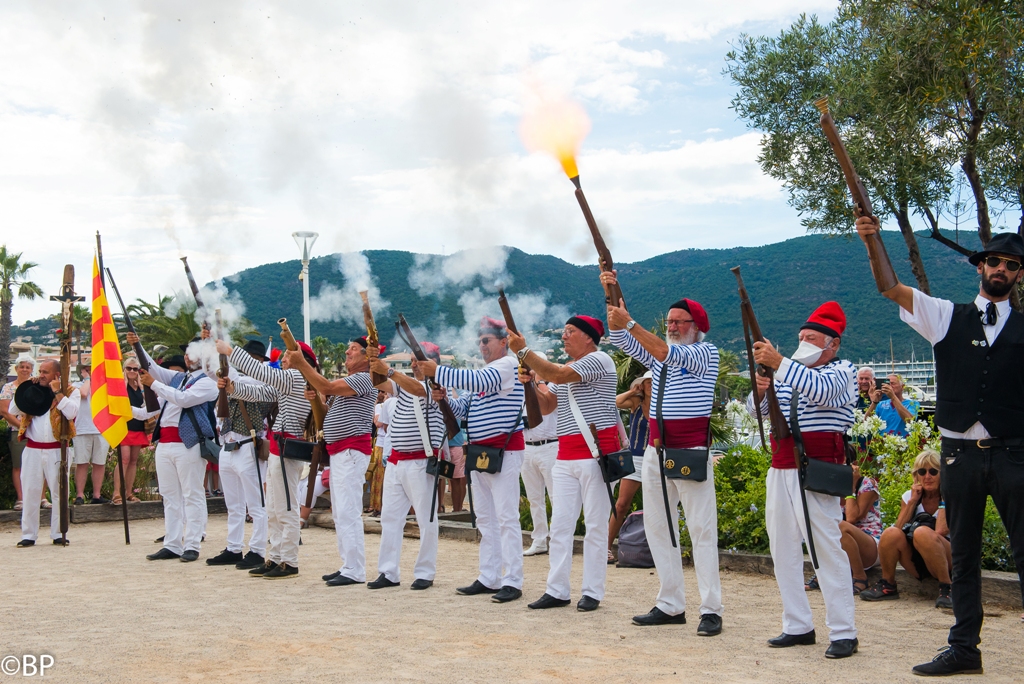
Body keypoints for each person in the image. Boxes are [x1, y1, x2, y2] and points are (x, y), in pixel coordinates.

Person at [856, 217, 1024, 676]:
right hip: (959, 455)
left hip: (1013, 454)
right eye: (995, 261)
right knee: (964, 554)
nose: (1002, 270)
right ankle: (964, 648)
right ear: (980, 267)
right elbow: (890, 287)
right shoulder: (946, 315)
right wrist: (872, 240)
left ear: (1019, 274)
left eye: (1012, 265)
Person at [605, 277, 724, 636]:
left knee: (701, 529)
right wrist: (613, 297)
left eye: (678, 322)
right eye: (669, 322)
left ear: (695, 327)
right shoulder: (662, 355)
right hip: (656, 450)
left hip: (689, 448)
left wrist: (628, 322)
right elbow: (623, 339)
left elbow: (658, 349)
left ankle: (711, 608)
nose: (671, 327)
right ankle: (670, 603)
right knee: (660, 527)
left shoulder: (705, 352)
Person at [747, 301, 859, 659]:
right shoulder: (790, 372)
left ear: (833, 344)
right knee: (782, 549)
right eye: (802, 336)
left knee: (825, 547)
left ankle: (843, 631)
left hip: (818, 467)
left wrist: (780, 364)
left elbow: (822, 392)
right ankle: (797, 624)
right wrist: (762, 385)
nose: (804, 341)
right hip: (782, 465)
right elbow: (755, 411)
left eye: (812, 337)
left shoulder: (842, 371)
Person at [509, 314, 617, 613]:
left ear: (588, 337)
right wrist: (530, 384)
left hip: (597, 453)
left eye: (570, 332)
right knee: (560, 526)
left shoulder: (599, 361)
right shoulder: (568, 369)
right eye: (565, 332)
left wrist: (523, 353)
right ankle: (556, 589)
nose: (564, 337)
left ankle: (592, 591)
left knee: (595, 527)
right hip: (566, 453)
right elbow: (545, 407)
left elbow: (556, 376)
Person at [419, 318, 526, 604]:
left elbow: (479, 381)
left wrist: (438, 370)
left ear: (503, 342)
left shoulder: (507, 366)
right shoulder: (482, 374)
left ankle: (512, 579)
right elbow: (461, 408)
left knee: (505, 517)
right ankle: (489, 576)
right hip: (478, 451)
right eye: (480, 341)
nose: (482, 346)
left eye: (486, 340)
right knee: (486, 518)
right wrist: (440, 397)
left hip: (503, 449)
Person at [284, 336, 385, 587]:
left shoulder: (364, 378)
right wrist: (315, 400)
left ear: (365, 357)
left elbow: (327, 386)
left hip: (351, 450)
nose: (348, 352)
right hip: (342, 450)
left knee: (348, 510)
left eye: (353, 349)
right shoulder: (354, 380)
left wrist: (301, 364)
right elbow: (330, 410)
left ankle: (355, 568)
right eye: (348, 347)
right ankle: (349, 565)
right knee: (341, 511)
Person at [223, 337, 317, 579]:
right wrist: (234, 388)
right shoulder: (290, 380)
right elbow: (260, 392)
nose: (282, 359)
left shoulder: (297, 377)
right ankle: (275, 557)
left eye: (287, 355)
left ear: (300, 360)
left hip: (288, 448)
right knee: (275, 508)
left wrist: (231, 352)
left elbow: (262, 376)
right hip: (279, 447)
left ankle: (290, 560)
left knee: (285, 508)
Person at [129, 333, 218, 563]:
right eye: (188, 351)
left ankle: (192, 544)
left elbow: (183, 399)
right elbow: (153, 371)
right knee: (169, 496)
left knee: (192, 495)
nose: (188, 356)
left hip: (187, 443)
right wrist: (137, 344)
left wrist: (154, 384)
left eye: (193, 351)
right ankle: (172, 543)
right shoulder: (179, 379)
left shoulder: (208, 381)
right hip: (165, 443)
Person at [366, 343, 448, 590]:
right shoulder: (403, 386)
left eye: (417, 359)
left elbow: (416, 388)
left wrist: (389, 371)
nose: (413, 364)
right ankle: (388, 572)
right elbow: (378, 383)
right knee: (390, 519)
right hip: (396, 460)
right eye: (411, 359)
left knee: (426, 519)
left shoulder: (436, 387)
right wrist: (373, 361)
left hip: (421, 461)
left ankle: (425, 572)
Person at [207, 339, 277, 571]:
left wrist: (229, 371)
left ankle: (257, 550)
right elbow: (213, 372)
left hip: (248, 445)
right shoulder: (234, 378)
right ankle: (233, 547)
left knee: (256, 504)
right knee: (234, 505)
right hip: (227, 446)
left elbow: (245, 383)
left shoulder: (263, 378)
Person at [859, 450, 951, 607]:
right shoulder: (910, 496)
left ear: (943, 474)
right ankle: (888, 584)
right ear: (916, 475)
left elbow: (941, 530)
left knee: (921, 532)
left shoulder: (952, 495)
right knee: (890, 533)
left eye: (933, 472)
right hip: (919, 557)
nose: (927, 476)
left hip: (948, 558)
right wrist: (913, 502)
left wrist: (944, 497)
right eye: (922, 472)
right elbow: (898, 528)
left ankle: (948, 588)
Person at [11, 360, 79, 546]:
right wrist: (26, 390)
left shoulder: (72, 391)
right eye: (40, 371)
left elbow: (71, 412)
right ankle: (28, 534)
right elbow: (12, 410)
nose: (41, 374)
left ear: (57, 374)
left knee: (59, 492)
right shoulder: (33, 390)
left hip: (58, 450)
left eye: (45, 372)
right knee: (30, 490)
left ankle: (58, 532)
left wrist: (58, 392)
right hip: (32, 449)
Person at [608, 374, 649, 564]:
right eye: (646, 382)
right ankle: (606, 547)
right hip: (636, 458)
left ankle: (656, 550)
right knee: (621, 504)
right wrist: (633, 391)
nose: (649, 385)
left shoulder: (663, 402)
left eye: (652, 381)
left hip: (655, 458)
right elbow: (615, 402)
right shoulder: (636, 402)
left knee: (657, 507)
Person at [521, 399, 558, 557]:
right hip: (527, 446)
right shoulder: (521, 391)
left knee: (555, 497)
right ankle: (539, 540)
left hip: (549, 445)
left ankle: (558, 540)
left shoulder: (549, 387)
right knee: (534, 498)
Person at [111, 356, 150, 504]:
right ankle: (116, 493)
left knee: (133, 461)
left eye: (135, 369)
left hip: (138, 426)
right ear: (124, 369)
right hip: (124, 426)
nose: (132, 371)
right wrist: (125, 382)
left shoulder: (141, 386)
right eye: (129, 368)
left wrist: (141, 387)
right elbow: (119, 403)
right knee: (124, 459)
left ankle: (128, 492)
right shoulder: (121, 385)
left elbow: (149, 404)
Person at [1, 355, 35, 511]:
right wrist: (23, 427)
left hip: (37, 432)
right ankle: (21, 499)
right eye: (22, 366)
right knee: (19, 466)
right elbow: (5, 412)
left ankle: (40, 498)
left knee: (38, 466)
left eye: (28, 367)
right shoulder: (8, 388)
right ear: (16, 369)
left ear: (32, 370)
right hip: (17, 432)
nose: (25, 369)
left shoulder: (36, 386)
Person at [72, 365, 110, 505]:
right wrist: (87, 379)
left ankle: (96, 494)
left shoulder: (103, 386)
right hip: (82, 429)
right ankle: (80, 495)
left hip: (102, 429)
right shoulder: (77, 385)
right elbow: (83, 394)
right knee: (82, 463)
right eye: (87, 369)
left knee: (99, 463)